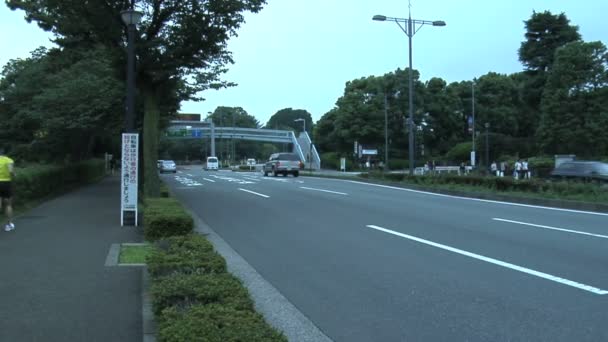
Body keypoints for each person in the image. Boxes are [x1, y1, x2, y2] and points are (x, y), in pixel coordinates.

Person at [0, 147, 15, 232]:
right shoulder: (9, 160)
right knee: (8, 204)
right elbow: (11, 172)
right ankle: (8, 225)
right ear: (3, 153)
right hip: (6, 183)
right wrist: (14, 176)